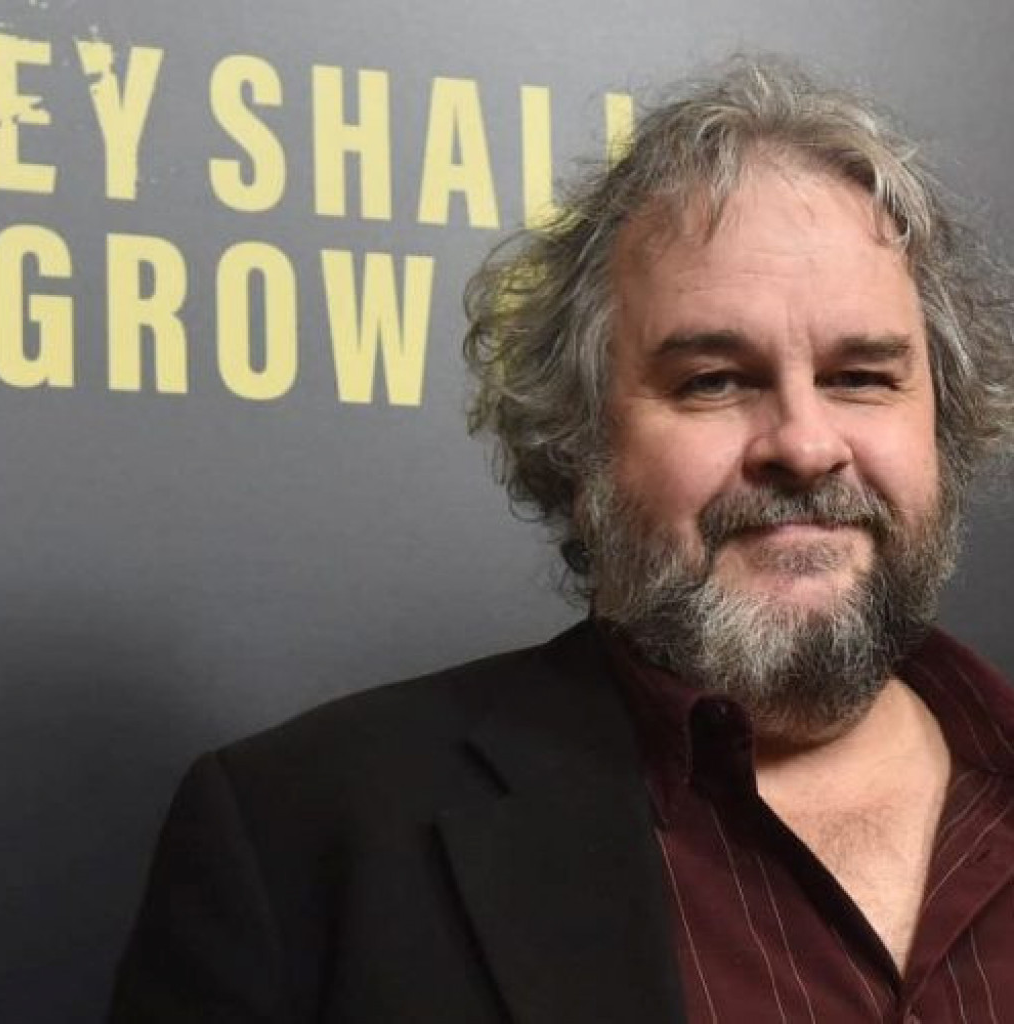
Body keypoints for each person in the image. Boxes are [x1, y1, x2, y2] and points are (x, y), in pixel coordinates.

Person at [109, 55, 1014, 1023]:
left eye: (861, 377)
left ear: (942, 422)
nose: (803, 443)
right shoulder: (300, 837)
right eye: (713, 380)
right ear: (580, 444)